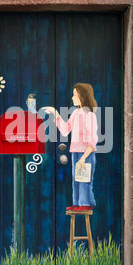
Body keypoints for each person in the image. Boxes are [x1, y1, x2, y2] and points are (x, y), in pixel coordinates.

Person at [43, 83, 98, 211]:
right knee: (77, 178)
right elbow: (65, 130)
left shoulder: (90, 115)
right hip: (75, 151)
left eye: (75, 95)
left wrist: (84, 157)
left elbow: (92, 139)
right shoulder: (75, 113)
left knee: (85, 179)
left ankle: (86, 203)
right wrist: (55, 113)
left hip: (87, 153)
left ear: (82, 96)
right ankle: (77, 203)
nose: (72, 98)